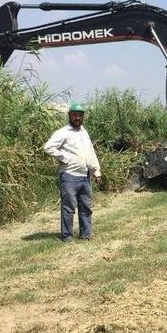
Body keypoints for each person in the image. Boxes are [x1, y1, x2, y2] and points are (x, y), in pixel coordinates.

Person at [43, 103, 102, 242]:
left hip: (84, 176)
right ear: (70, 115)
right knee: (69, 209)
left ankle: (86, 235)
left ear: (83, 117)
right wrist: (64, 158)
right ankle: (67, 237)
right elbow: (48, 147)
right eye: (75, 115)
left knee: (86, 208)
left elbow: (90, 153)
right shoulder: (64, 132)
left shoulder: (84, 132)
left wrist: (96, 171)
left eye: (80, 115)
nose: (77, 117)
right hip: (69, 176)